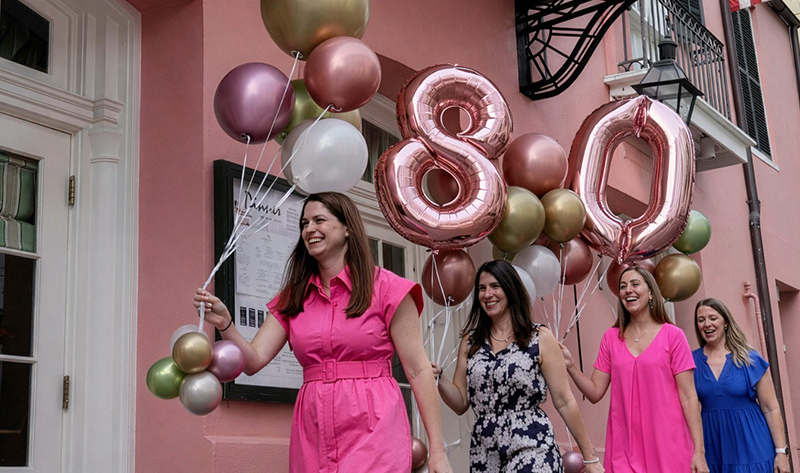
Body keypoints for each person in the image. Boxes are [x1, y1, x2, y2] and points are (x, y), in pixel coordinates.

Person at [194, 192, 452, 473]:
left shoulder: (388, 288)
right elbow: (254, 360)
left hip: (374, 424)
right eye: (304, 223)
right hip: (313, 427)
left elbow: (417, 370)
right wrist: (225, 324)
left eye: (319, 220)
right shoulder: (293, 297)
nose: (309, 230)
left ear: (347, 228)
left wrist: (437, 450)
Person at [431, 259, 604, 473]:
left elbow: (565, 401)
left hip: (532, 444)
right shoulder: (471, 341)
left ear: (511, 289)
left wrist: (590, 457)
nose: (487, 294)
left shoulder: (539, 337)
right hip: (485, 451)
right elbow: (460, 403)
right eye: (482, 288)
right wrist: (439, 379)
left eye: (495, 286)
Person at [560, 266, 708, 473]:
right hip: (624, 447)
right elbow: (594, 392)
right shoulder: (611, 338)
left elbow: (688, 397)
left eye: (635, 284)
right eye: (622, 286)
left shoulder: (673, 335)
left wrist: (699, 452)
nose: (628, 290)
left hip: (669, 445)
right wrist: (571, 366)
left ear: (650, 293)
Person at [693, 298, 790, 473]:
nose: (707, 324)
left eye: (713, 318)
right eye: (701, 320)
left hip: (752, 444)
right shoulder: (691, 362)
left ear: (725, 323)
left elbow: (770, 408)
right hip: (713, 446)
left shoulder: (749, 359)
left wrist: (781, 453)